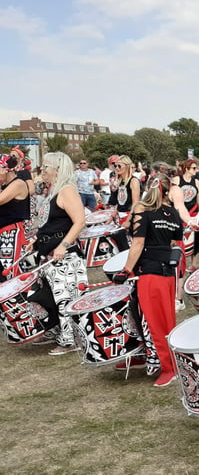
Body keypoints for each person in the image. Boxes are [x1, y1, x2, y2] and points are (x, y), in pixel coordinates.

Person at [113, 172, 183, 386]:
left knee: (154, 321)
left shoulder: (143, 210)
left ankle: (168, 367)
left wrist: (126, 270)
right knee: (161, 319)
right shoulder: (173, 213)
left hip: (150, 272)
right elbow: (176, 244)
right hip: (167, 272)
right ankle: (148, 356)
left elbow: (137, 243)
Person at [31, 152, 88, 355]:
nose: (42, 171)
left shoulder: (67, 191)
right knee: (55, 296)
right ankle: (61, 333)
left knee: (66, 297)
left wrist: (64, 245)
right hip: (49, 252)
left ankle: (70, 340)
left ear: (57, 169)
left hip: (65, 254)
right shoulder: (54, 191)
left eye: (46, 167)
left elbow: (80, 220)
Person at [0, 153, 31, 278]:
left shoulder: (18, 183)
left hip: (11, 232)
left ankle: (18, 296)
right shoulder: (6, 185)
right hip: (4, 231)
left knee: (9, 270)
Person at [178, 159, 199, 271]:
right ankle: (180, 263)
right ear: (187, 169)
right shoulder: (177, 180)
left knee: (196, 238)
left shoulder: (197, 182)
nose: (196, 170)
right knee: (180, 238)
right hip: (181, 212)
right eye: (194, 168)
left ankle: (193, 264)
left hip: (194, 212)